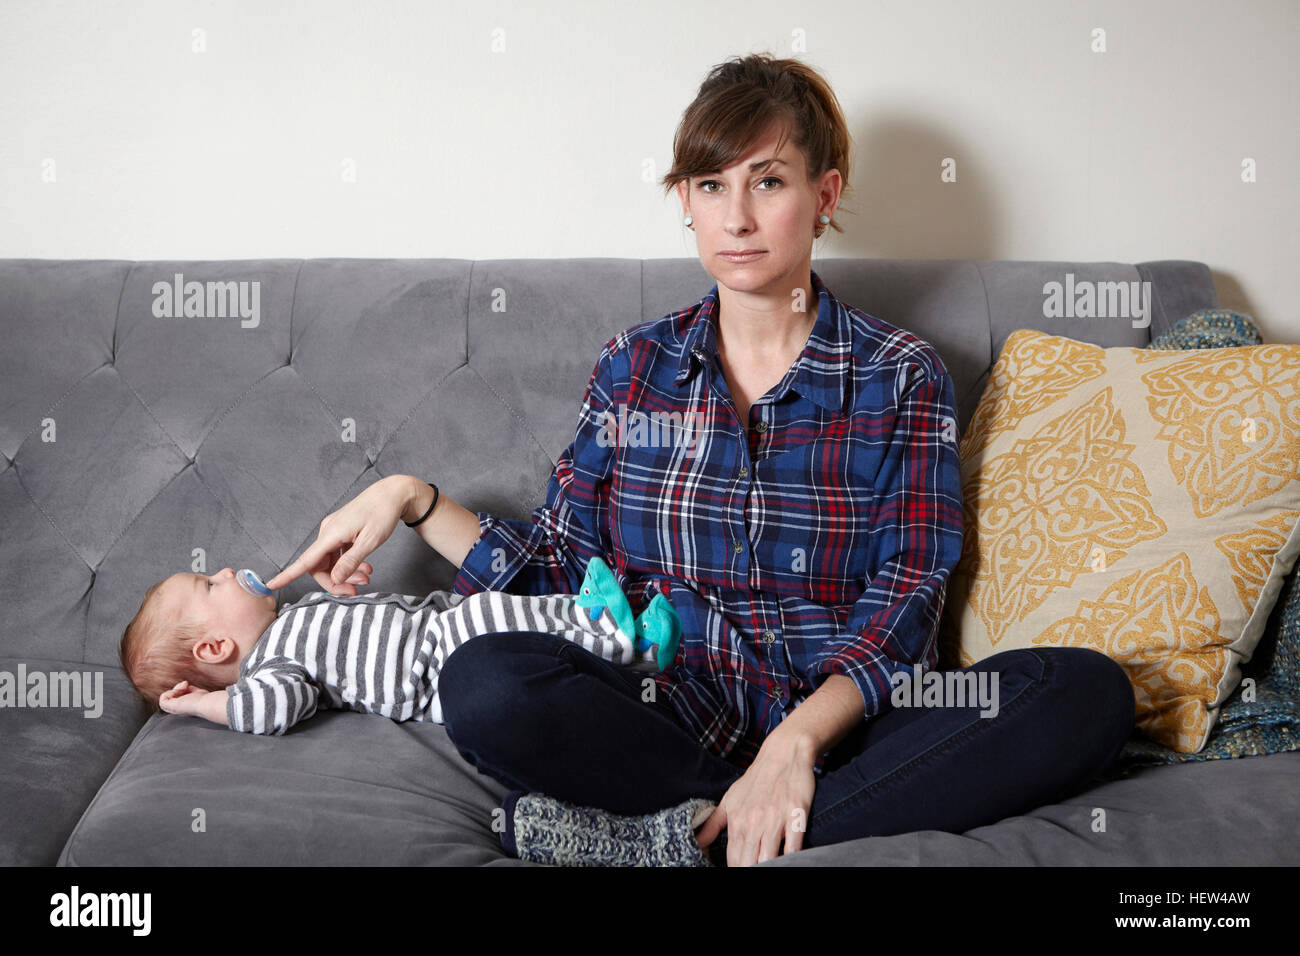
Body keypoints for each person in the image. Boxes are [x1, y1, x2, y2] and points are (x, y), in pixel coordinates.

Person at [267, 53, 1136, 867]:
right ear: (685, 199)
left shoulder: (898, 374)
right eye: (711, 185)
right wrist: (412, 498)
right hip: (669, 716)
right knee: (486, 682)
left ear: (824, 195)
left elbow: (909, 593)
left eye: (769, 181)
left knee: (1083, 689)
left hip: (851, 728)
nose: (738, 215)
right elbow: (565, 572)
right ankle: (758, 819)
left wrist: (796, 743)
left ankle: (695, 836)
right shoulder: (633, 368)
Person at [118, 556, 680, 735]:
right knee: (500, 621)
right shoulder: (272, 667)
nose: (223, 570)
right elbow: (266, 710)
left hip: (440, 621)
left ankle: (595, 616)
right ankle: (626, 648)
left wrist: (332, 592)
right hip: (436, 668)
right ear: (215, 649)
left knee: (500, 608)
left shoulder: (293, 615)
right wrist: (196, 703)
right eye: (210, 586)